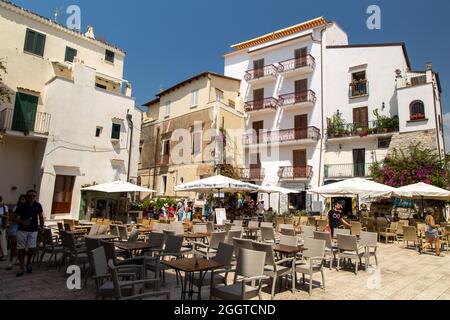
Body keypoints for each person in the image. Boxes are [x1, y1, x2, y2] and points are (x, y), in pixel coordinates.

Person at [15, 190, 44, 277]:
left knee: (32, 249)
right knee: (21, 250)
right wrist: (21, 222)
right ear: (27, 196)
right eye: (30, 196)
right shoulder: (21, 206)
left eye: (33, 196)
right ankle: (21, 267)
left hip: (33, 231)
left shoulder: (38, 205)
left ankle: (28, 263)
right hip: (22, 231)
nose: (32, 198)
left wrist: (41, 228)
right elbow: (13, 217)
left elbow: (41, 217)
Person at [5, 195, 26, 270]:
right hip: (15, 227)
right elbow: (11, 217)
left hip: (22, 228)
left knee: (20, 246)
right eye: (21, 199)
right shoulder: (16, 207)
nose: (23, 201)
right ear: (19, 200)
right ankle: (10, 262)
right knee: (13, 245)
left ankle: (17, 259)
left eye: (24, 199)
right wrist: (20, 221)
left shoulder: (26, 208)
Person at [0, 196, 8, 261]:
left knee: (2, 240)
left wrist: (2, 216)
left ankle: (4, 254)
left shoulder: (4, 207)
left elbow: (7, 216)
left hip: (1, 226)